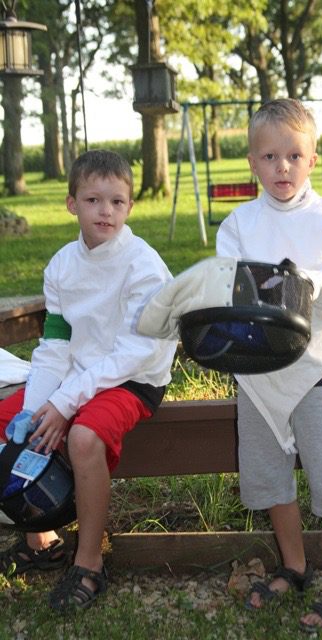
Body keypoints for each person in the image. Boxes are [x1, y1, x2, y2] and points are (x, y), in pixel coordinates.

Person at [216, 99, 322, 632]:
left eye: (293, 155)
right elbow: (226, 285)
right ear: (252, 162)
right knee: (270, 479)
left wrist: (306, 282)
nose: (282, 167)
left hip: (317, 371)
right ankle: (294, 563)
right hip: (257, 375)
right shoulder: (239, 224)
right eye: (269, 156)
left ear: (314, 158)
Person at [0, 150, 177, 612]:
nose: (106, 211)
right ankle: (42, 540)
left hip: (133, 379)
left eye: (117, 201)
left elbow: (135, 351)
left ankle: (89, 562)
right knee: (7, 420)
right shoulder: (61, 265)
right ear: (71, 204)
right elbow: (56, 345)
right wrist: (34, 407)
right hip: (79, 375)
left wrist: (64, 405)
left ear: (130, 207)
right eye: (94, 199)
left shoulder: (144, 266)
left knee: (82, 436)